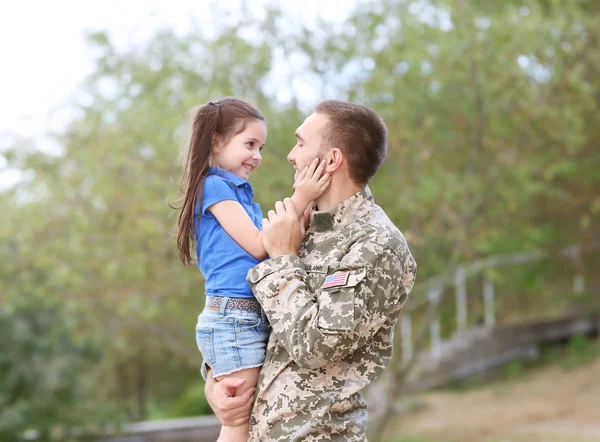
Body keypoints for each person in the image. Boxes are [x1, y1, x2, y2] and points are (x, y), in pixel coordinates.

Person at [204, 99, 418, 441]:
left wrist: (282, 261)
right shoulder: (301, 227)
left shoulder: (375, 244)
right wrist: (218, 382)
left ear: (331, 160)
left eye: (301, 143)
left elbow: (315, 348)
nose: (290, 154)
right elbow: (251, 321)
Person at [174, 97, 331, 442]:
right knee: (237, 426)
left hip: (246, 316)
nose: (256, 156)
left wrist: (306, 207)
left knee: (253, 421)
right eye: (249, 144)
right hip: (233, 318)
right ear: (216, 142)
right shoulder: (214, 187)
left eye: (260, 147)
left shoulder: (241, 194)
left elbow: (277, 240)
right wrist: (301, 196)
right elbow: (261, 246)